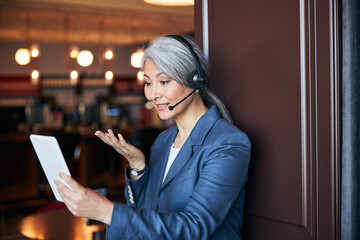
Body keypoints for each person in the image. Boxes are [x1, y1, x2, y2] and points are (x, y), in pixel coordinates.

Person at [55, 35, 251, 239]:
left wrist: (106, 211)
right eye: (148, 83)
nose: (152, 94)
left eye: (164, 81)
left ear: (196, 81)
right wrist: (138, 168)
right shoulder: (164, 140)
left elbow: (193, 228)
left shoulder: (227, 144)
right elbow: (147, 216)